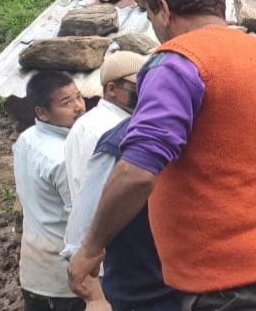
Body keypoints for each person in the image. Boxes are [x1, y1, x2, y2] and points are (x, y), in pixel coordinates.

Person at [67, 0, 256, 310]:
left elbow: (137, 174)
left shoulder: (175, 62)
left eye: (149, 16)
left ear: (162, 10)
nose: (155, 27)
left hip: (227, 285)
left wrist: (91, 248)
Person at [62, 118, 180, 311]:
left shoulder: (198, 131)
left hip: (189, 289)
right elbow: (80, 228)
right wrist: (95, 298)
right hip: (142, 294)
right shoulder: (118, 143)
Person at [14, 71, 86, 311]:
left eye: (79, 97)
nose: (79, 107)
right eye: (66, 103)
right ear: (41, 112)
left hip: (33, 271)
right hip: (66, 282)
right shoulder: (64, 157)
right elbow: (80, 223)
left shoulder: (25, 139)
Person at [64, 51, 144, 198]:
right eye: (137, 87)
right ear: (112, 89)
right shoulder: (101, 130)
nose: (146, 91)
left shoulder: (118, 121)